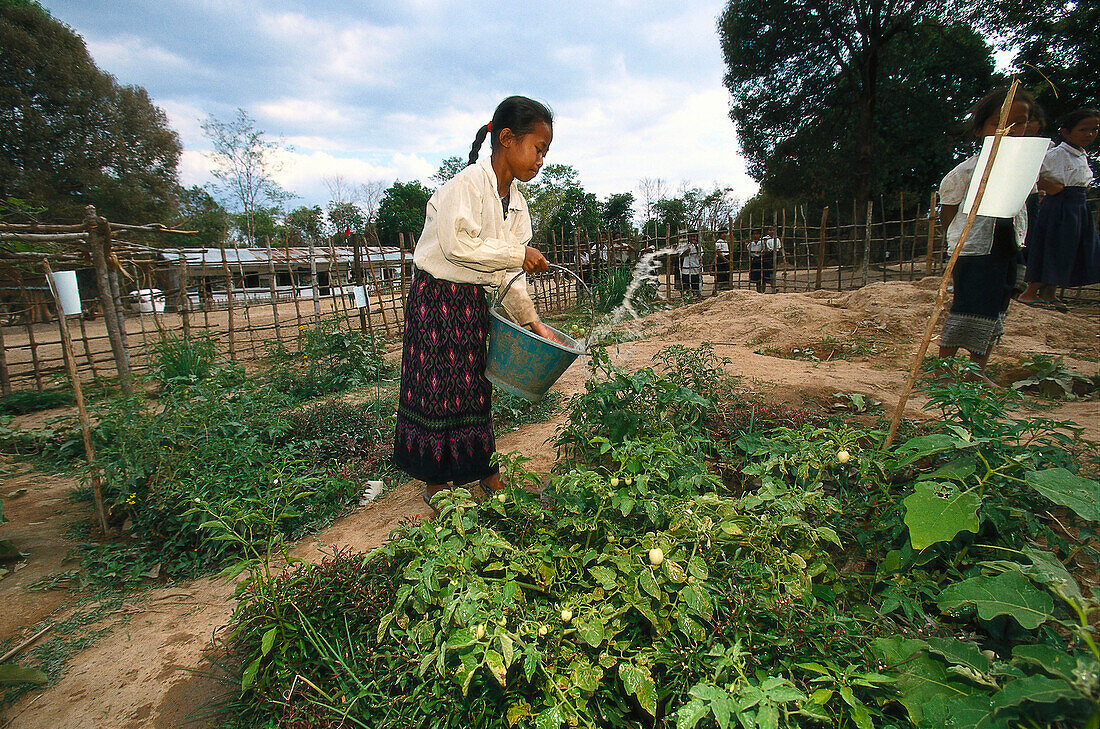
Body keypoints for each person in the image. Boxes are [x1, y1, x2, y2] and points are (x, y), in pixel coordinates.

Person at [393, 95, 558, 510]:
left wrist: (533, 321)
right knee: (436, 389)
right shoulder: (464, 186)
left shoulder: (517, 206)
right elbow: (457, 246)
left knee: (474, 386)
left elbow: (509, 273)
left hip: (470, 303)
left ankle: (488, 473)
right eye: (539, 149)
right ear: (507, 139)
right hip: (435, 298)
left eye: (545, 152)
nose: (542, 160)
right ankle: (435, 481)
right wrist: (516, 255)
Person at [937, 87, 1036, 381]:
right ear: (980, 128)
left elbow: (1024, 209)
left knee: (996, 308)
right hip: (974, 251)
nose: (1010, 130)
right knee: (968, 307)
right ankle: (944, 371)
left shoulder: (1023, 171)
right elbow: (949, 216)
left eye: (1020, 123)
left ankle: (976, 371)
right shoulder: (964, 174)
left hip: (1008, 247)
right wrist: (959, 245)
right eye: (999, 122)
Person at [1018, 108, 1100, 309]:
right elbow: (1029, 173)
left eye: (1094, 129)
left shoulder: (1081, 154)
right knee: (1055, 247)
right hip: (1060, 207)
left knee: (1070, 249)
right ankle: (1029, 293)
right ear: (1066, 132)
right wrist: (1050, 187)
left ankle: (1049, 293)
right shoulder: (1055, 154)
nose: (1090, 134)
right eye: (1083, 130)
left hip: (1078, 207)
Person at [748, 227, 781, 293]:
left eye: (757, 234)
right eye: (754, 234)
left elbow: (766, 250)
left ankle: (768, 289)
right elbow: (750, 253)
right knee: (757, 278)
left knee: (764, 276)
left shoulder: (763, 242)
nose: (755, 236)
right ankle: (759, 291)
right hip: (755, 261)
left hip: (763, 260)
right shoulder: (750, 244)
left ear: (760, 235)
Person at [678, 232, 703, 298]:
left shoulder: (699, 246)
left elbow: (701, 255)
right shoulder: (685, 246)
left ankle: (696, 295)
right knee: (686, 283)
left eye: (694, 237)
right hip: (686, 268)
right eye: (691, 237)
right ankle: (685, 296)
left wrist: (696, 247)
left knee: (695, 282)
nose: (693, 238)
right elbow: (680, 255)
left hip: (695, 267)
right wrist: (686, 252)